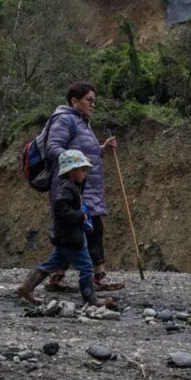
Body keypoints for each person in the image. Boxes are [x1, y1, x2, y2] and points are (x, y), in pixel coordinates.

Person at [43, 82, 122, 293]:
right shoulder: (65, 119)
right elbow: (53, 148)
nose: (93, 104)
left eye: (94, 101)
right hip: (71, 187)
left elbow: (88, 154)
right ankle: (69, 277)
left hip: (88, 187)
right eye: (89, 100)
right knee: (78, 231)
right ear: (74, 101)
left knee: (91, 229)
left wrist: (103, 148)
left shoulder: (83, 123)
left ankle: (85, 277)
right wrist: (76, 161)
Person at [17, 150, 114, 307]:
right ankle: (91, 299)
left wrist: (82, 167)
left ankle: (26, 287)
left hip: (63, 236)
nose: (85, 173)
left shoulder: (72, 185)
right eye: (82, 170)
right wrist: (79, 216)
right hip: (71, 237)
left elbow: (78, 186)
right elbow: (61, 209)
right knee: (86, 266)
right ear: (71, 172)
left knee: (52, 264)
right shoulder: (67, 189)